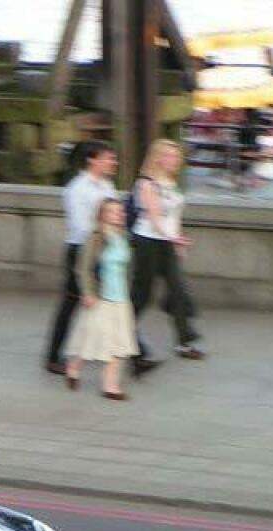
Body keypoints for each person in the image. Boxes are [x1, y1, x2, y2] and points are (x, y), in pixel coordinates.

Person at [45, 141, 154, 375]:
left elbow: (115, 215)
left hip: (107, 248)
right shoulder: (77, 188)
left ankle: (137, 355)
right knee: (74, 304)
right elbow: (82, 225)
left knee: (113, 300)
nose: (113, 162)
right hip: (83, 250)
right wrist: (106, 233)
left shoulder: (107, 186)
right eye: (108, 158)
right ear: (92, 160)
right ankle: (54, 356)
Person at [131, 139, 204, 360]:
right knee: (143, 295)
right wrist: (173, 238)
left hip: (167, 241)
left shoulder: (171, 182)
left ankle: (184, 341)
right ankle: (119, 331)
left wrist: (176, 240)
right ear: (158, 158)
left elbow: (174, 215)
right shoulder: (147, 183)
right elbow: (154, 218)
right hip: (147, 241)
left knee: (178, 290)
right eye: (171, 156)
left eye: (177, 156)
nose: (176, 161)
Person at [63, 198, 138, 400]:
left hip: (121, 298)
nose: (119, 215)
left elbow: (128, 269)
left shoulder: (124, 238)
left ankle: (111, 385)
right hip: (101, 297)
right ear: (103, 214)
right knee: (92, 337)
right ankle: (74, 366)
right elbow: (83, 268)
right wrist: (88, 292)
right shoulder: (95, 239)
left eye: (120, 211)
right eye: (113, 211)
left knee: (118, 342)